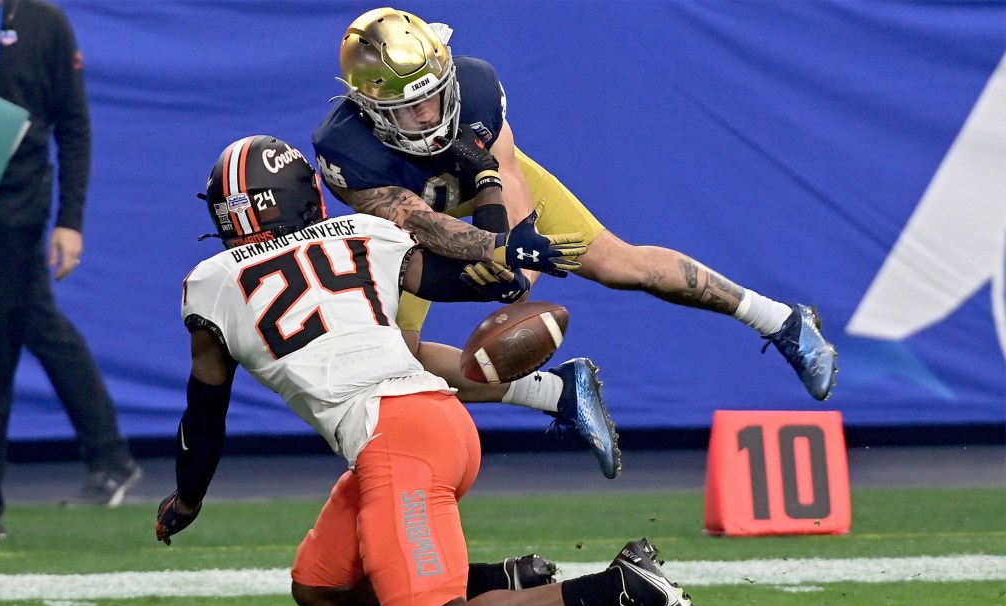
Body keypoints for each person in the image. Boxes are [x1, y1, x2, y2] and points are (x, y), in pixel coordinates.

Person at [154, 135, 706, 606]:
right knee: (321, 585)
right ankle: (509, 584)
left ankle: (617, 584)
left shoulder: (211, 284)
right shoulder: (364, 234)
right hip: (429, 425)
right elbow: (496, 278)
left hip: (396, 440)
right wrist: (487, 182)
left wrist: (188, 500)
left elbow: (204, 415)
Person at [311, 8, 839, 424]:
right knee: (400, 365)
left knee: (621, 264)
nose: (429, 114)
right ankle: (557, 394)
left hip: (485, 184)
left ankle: (782, 320)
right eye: (410, 107)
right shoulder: (347, 150)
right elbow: (424, 226)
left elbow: (507, 170)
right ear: (370, 107)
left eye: (433, 95)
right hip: (420, 231)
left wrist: (520, 254)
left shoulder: (473, 86)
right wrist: (501, 255)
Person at [0, 0, 141, 539]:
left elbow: (73, 126)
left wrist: (68, 220)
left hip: (12, 215)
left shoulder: (43, 23)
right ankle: (110, 457)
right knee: (38, 327)